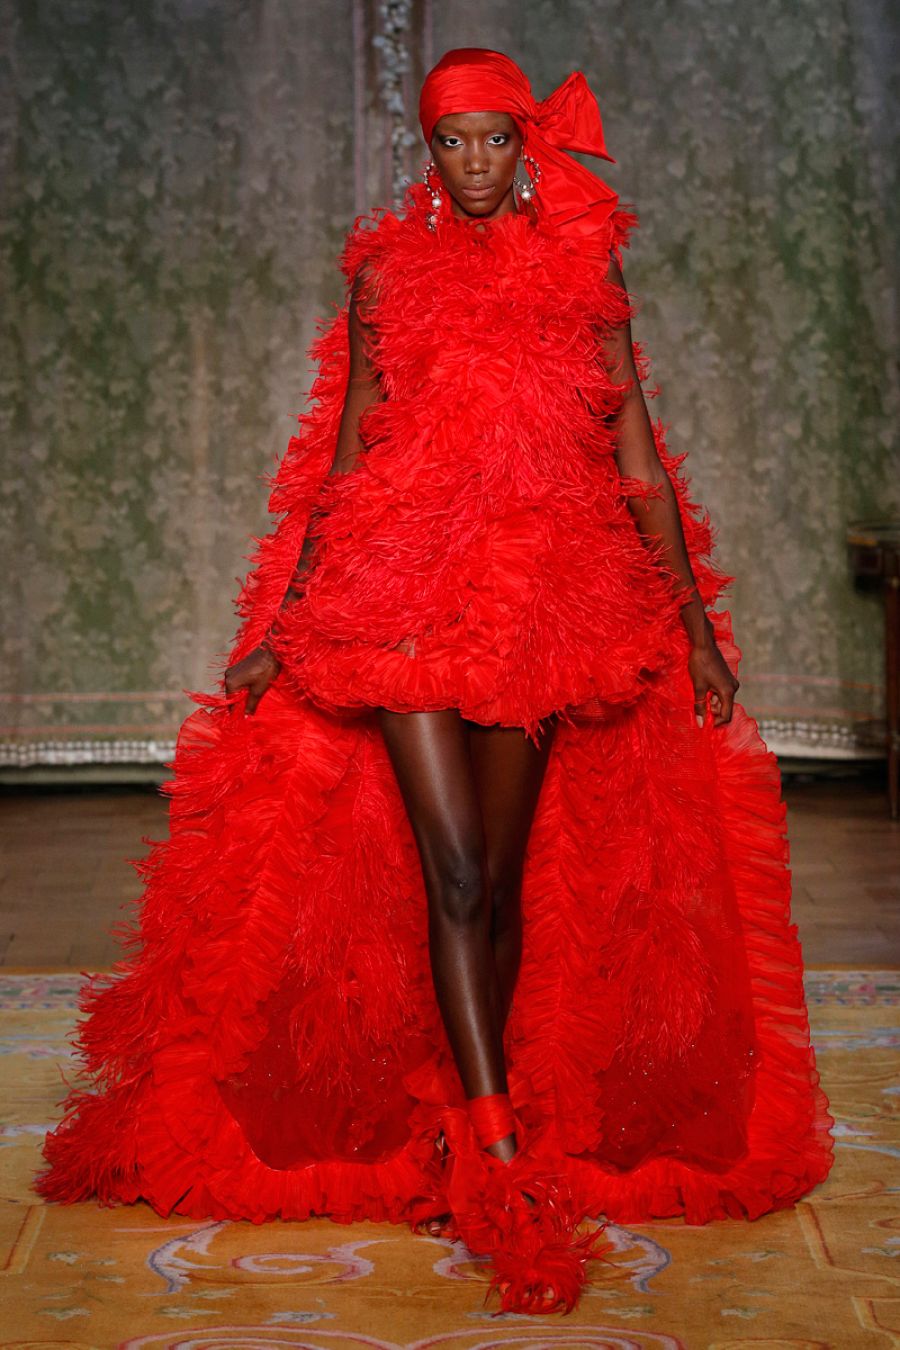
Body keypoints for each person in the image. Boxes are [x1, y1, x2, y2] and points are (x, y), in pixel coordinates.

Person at [36, 48, 835, 1317]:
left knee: (502, 882)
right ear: (427, 153)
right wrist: (285, 618)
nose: (472, 164)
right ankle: (498, 1149)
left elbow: (633, 451)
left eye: (493, 141)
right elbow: (347, 450)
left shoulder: (586, 271)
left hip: (542, 598)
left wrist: (695, 626)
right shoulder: (383, 276)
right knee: (455, 868)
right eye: (450, 143)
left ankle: (476, 1111)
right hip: (400, 588)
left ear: (525, 149)